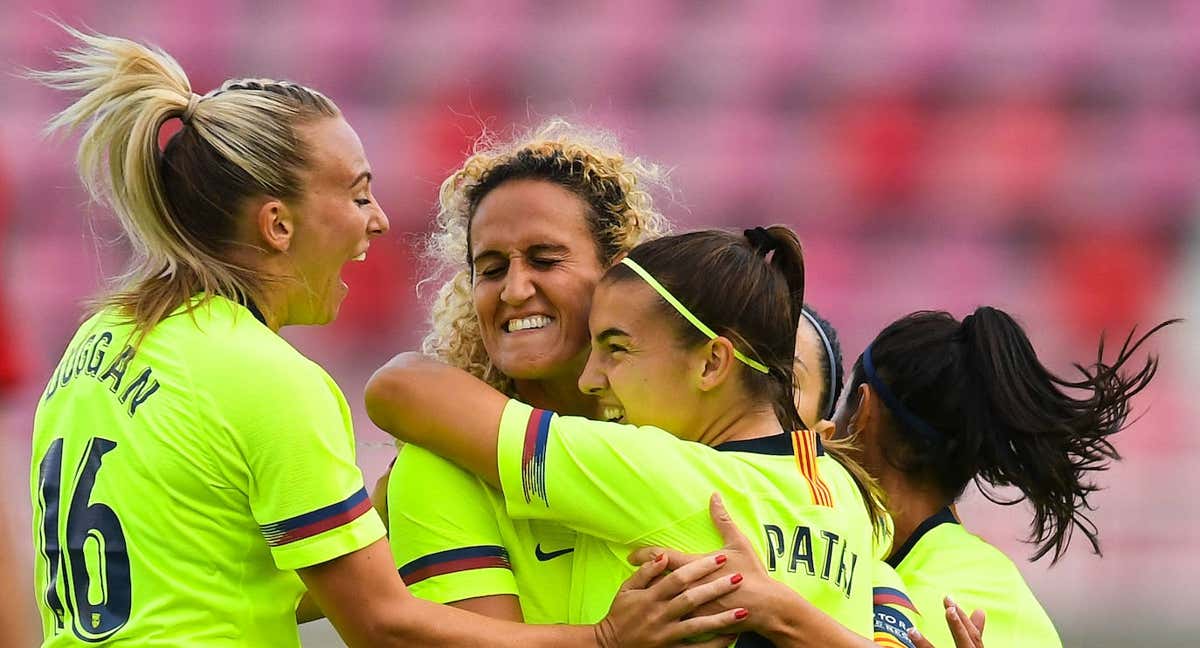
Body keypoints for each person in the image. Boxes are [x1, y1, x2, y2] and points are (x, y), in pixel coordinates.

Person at [28, 26, 743, 647]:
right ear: (278, 225)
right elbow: (382, 625)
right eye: (358, 193)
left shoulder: (96, 343)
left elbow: (220, 569)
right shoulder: (267, 378)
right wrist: (605, 640)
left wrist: (368, 521)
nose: (376, 221)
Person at [367, 226, 910, 646]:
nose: (590, 377)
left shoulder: (659, 472)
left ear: (712, 362)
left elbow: (399, 389)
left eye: (616, 348)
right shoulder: (846, 492)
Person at [384, 120, 671, 622]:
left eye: (544, 260)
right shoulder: (439, 466)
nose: (515, 291)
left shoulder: (689, 441)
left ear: (619, 274)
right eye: (491, 269)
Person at [830, 308, 1173, 647]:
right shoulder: (1001, 591)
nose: (826, 429)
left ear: (864, 411)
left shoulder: (845, 593)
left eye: (841, 403)